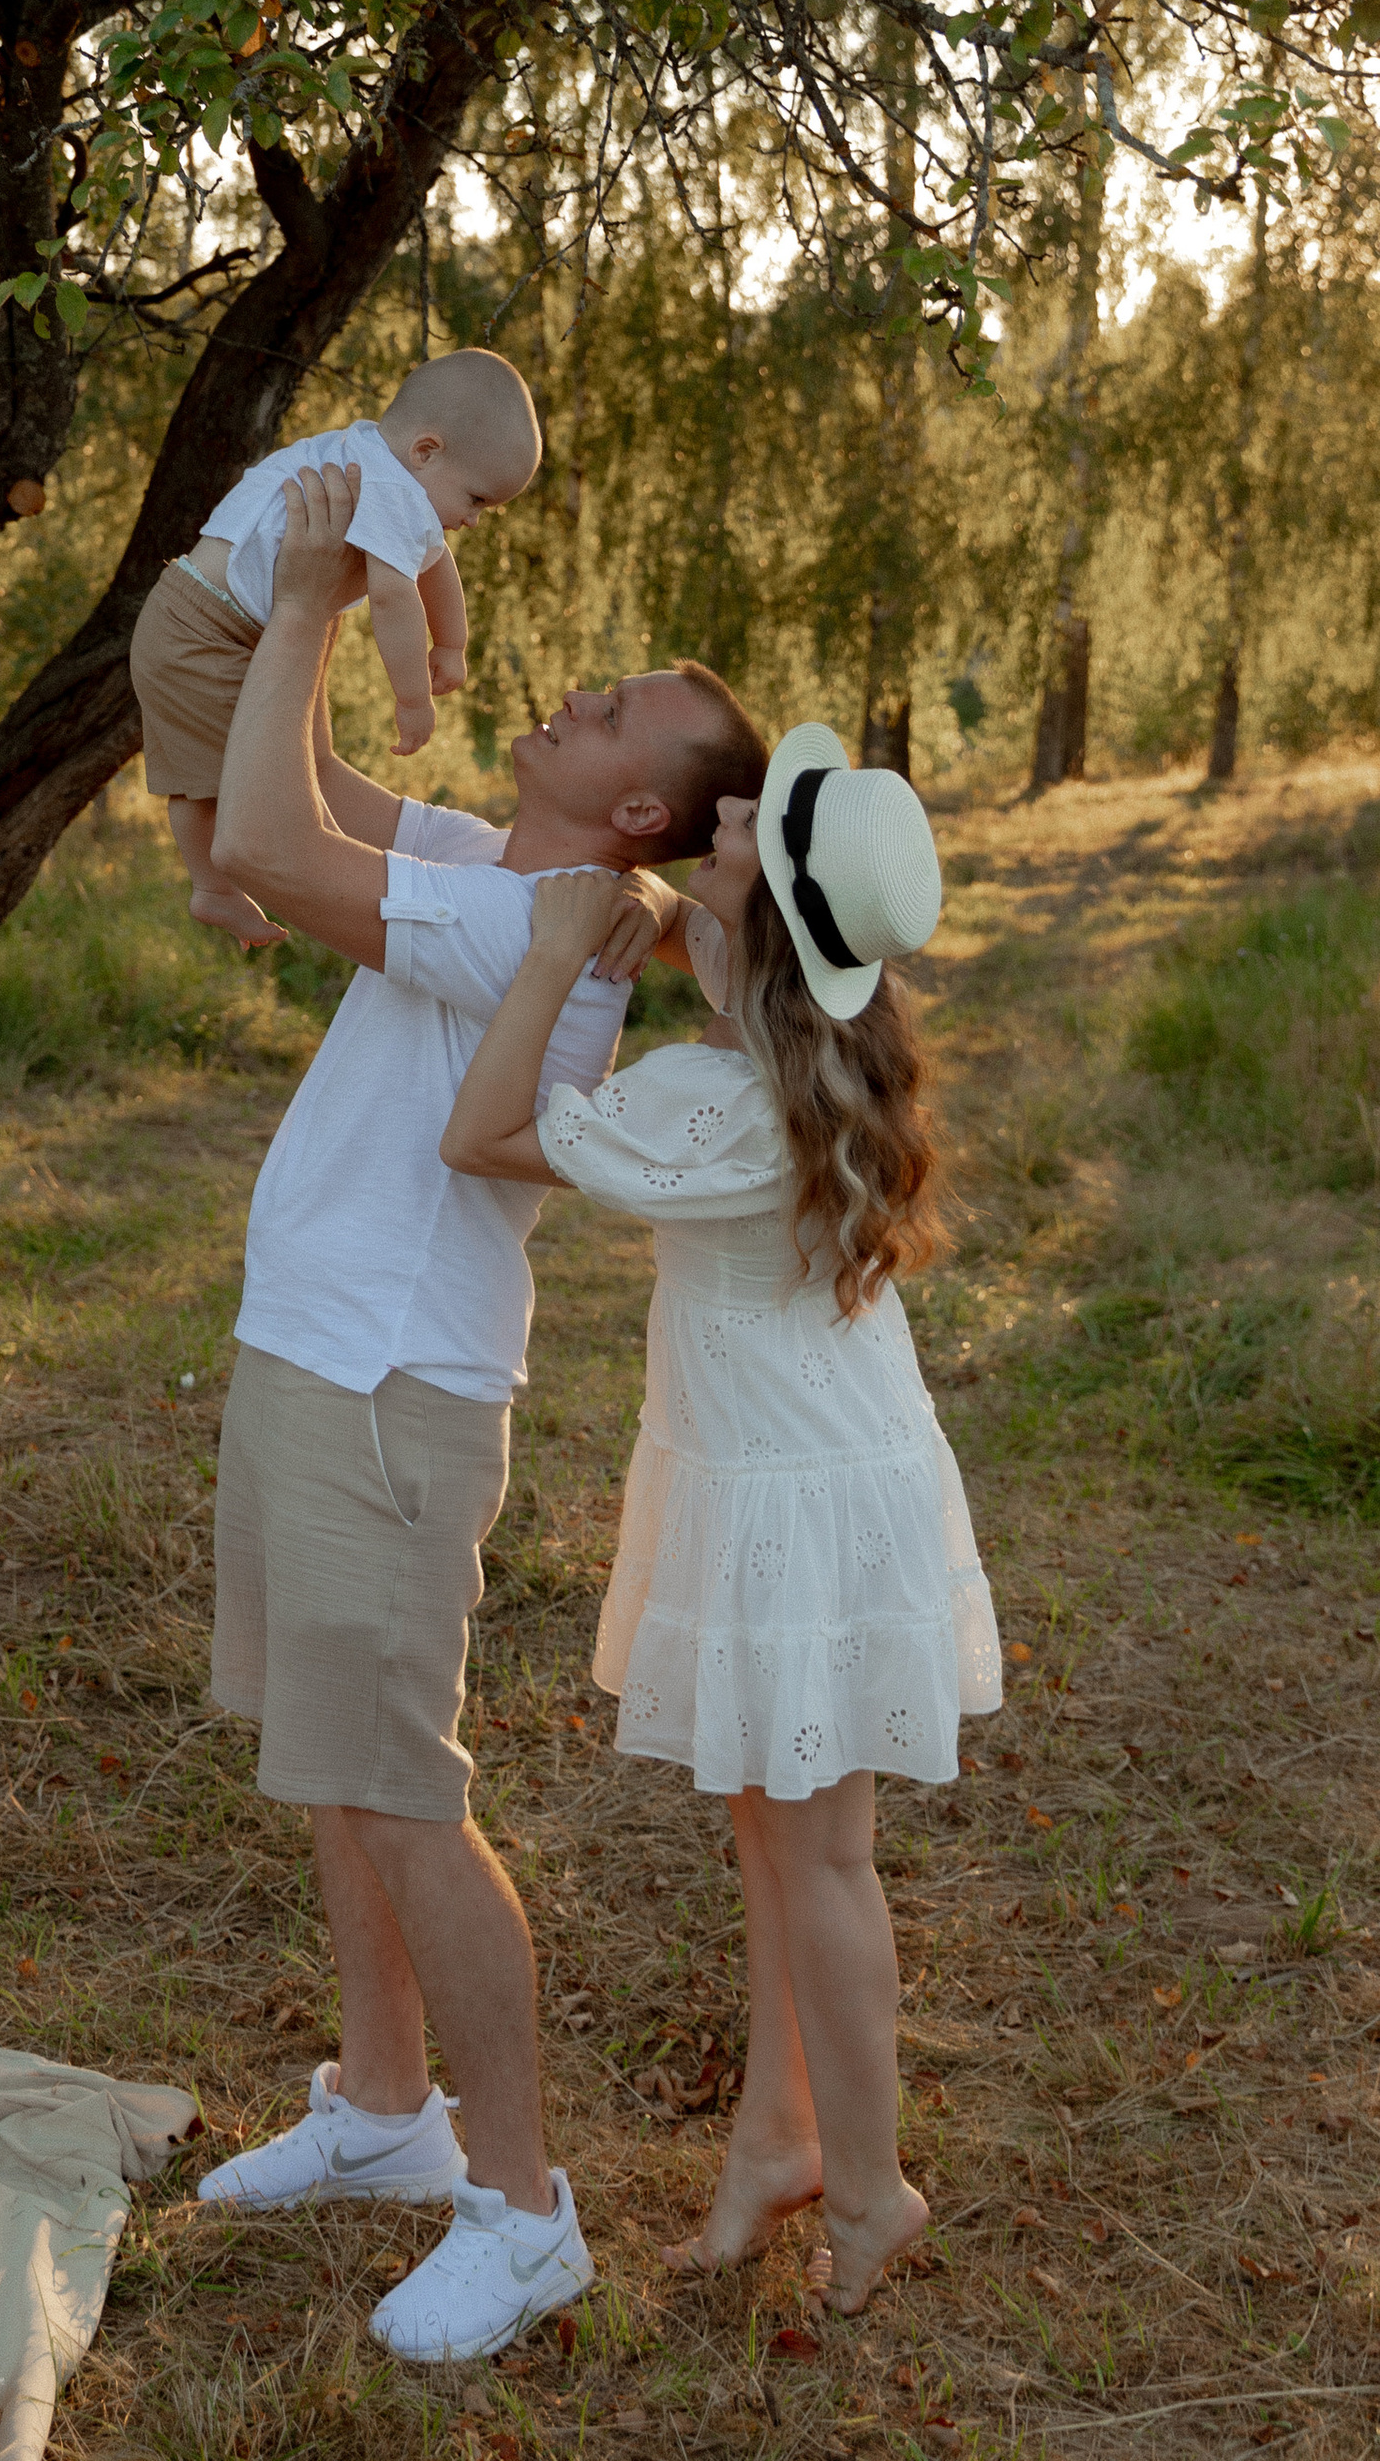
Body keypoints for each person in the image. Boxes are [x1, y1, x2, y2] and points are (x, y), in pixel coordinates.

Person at [192, 463, 769, 2365]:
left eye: (612, 716)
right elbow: (319, 793)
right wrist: (276, 621)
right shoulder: (488, 871)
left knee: (405, 1796)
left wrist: (308, 609)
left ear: (626, 813)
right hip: (316, 1358)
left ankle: (526, 2211)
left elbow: (276, 847)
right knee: (333, 1768)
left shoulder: (541, 922)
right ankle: (383, 2113)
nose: (579, 690)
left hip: (389, 1395)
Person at [439, 723, 1002, 2317]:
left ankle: (876, 2189)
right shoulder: (802, 1044)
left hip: (795, 1494)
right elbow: (719, 939)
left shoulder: (718, 1100)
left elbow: (483, 1137)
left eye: (753, 826)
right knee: (774, 1837)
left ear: (776, 918)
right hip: (818, 1459)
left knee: (818, 1858)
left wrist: (552, 960)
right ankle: (777, 2139)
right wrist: (683, 907)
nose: (726, 814)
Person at [130, 350, 542, 943]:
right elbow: (394, 599)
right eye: (476, 499)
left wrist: (453, 642)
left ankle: (212, 888)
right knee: (261, 773)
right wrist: (412, 699)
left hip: (203, 620)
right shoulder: (389, 484)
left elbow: (432, 560)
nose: (475, 520)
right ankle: (246, 878)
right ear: (427, 451)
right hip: (208, 632)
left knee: (201, 774)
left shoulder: (374, 459)